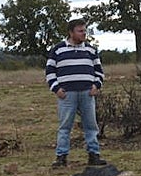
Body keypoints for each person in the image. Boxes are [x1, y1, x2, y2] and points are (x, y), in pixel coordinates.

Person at [45, 18, 106, 168]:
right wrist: (56, 89)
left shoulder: (91, 50)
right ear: (71, 32)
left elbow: (99, 71)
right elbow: (49, 72)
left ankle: (94, 155)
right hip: (67, 94)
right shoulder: (58, 50)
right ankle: (61, 157)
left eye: (85, 30)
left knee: (91, 125)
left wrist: (96, 86)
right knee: (65, 126)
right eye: (80, 31)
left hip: (87, 93)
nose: (84, 34)